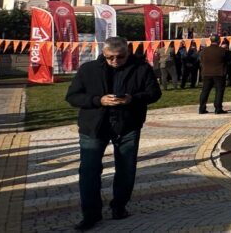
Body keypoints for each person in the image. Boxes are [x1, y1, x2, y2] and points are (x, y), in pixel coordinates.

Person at [65, 36, 161, 231]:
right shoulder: (88, 69)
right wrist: (98, 100)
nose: (115, 61)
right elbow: (73, 96)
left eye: (120, 57)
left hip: (127, 125)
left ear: (128, 53)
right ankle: (91, 214)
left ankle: (119, 206)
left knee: (126, 168)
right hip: (95, 126)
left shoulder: (141, 68)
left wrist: (132, 99)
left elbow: (154, 93)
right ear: (103, 53)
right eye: (110, 58)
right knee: (89, 171)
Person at [198, 36, 228, 114]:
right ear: (219, 41)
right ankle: (218, 108)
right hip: (219, 73)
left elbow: (201, 60)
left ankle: (201, 108)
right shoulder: (222, 50)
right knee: (219, 91)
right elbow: (227, 61)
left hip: (206, 73)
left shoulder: (204, 50)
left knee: (205, 91)